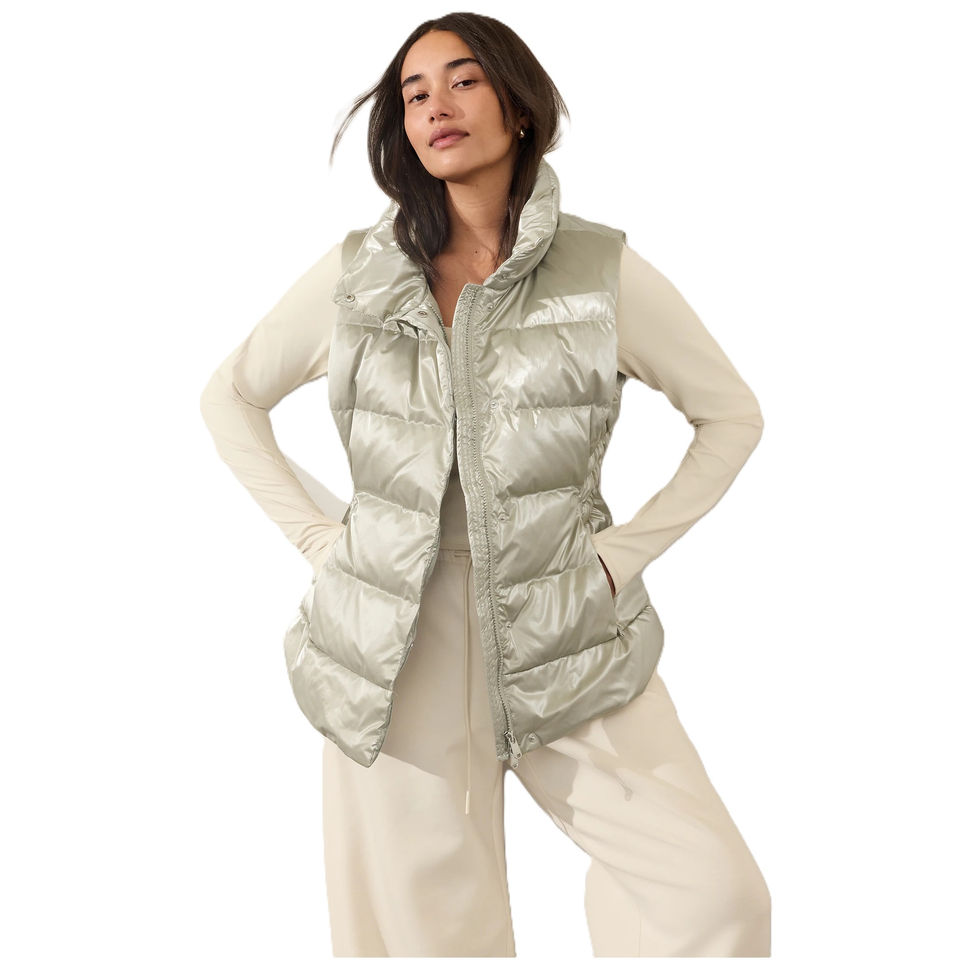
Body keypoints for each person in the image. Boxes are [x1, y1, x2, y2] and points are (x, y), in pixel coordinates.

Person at [199, 12, 771, 958]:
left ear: (518, 104)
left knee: (710, 892)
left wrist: (619, 558)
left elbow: (731, 416)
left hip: (564, 618)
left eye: (463, 80)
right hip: (397, 637)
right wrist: (320, 540)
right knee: (430, 933)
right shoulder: (359, 273)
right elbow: (230, 397)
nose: (438, 106)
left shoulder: (598, 271)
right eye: (415, 93)